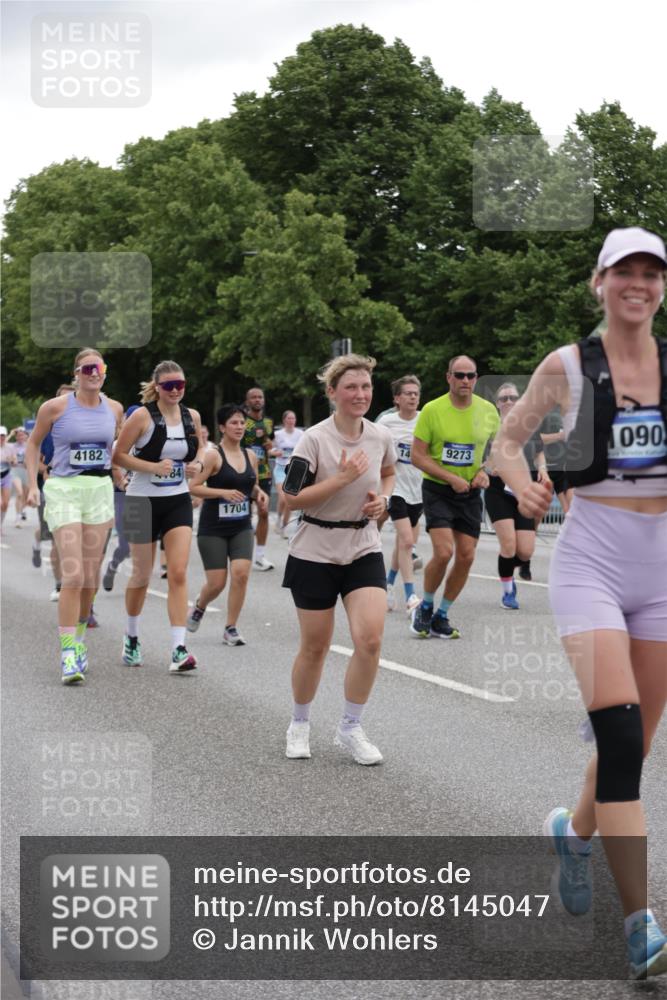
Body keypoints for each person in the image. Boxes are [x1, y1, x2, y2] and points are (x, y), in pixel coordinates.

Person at [492, 227, 667, 979]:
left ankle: (572, 831)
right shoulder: (566, 366)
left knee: (637, 742)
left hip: (661, 573)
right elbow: (507, 439)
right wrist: (519, 479)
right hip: (591, 564)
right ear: (597, 282)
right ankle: (640, 927)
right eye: (622, 270)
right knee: (622, 743)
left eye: (650, 272)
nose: (637, 283)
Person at [281, 354, 396, 765]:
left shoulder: (380, 435)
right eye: (351, 387)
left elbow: (388, 472)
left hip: (362, 545)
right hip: (315, 549)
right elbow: (290, 497)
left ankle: (350, 727)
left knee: (370, 640)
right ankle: (299, 723)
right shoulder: (313, 439)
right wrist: (341, 481)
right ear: (332, 393)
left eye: (365, 387)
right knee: (316, 646)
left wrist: (383, 499)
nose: (360, 394)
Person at [25, 349, 122, 683]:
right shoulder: (55, 408)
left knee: (90, 579)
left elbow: (118, 449)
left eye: (100, 367)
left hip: (99, 490)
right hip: (64, 488)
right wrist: (33, 485)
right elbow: (33, 444)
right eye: (88, 368)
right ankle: (67, 653)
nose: (95, 373)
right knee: (74, 575)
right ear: (76, 373)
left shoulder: (114, 409)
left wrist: (124, 471)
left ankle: (79, 642)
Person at [114, 360, 206, 673]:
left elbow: (199, 455)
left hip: (176, 499)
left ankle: (179, 649)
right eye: (169, 386)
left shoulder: (191, 416)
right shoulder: (141, 417)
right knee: (142, 575)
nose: (176, 390)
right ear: (157, 387)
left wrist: (196, 468)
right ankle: (131, 636)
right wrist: (153, 467)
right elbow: (119, 456)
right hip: (141, 501)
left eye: (181, 384)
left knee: (178, 573)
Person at [410, 355, 500, 639]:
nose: (465, 381)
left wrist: (486, 471)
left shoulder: (488, 411)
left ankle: (442, 615)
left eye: (470, 376)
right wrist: (450, 478)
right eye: (459, 375)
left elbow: (499, 451)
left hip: (471, 492)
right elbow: (417, 456)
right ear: (448, 377)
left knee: (466, 556)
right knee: (444, 551)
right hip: (438, 488)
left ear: (476, 378)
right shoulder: (432, 410)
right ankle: (424, 606)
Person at [187, 404, 269, 645]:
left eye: (242, 423)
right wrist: (222, 492)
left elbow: (248, 484)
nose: (240, 427)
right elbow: (194, 487)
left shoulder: (250, 455)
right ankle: (200, 605)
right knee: (217, 583)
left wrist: (259, 493)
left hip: (241, 525)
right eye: (234, 423)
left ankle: (231, 627)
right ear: (222, 427)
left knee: (241, 574)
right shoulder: (213, 455)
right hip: (213, 528)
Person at [484, 382, 548, 608]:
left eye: (513, 397)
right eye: (504, 399)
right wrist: (494, 466)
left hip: (523, 493)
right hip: (498, 491)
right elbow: (485, 464)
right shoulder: (490, 428)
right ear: (497, 404)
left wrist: (542, 469)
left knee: (525, 551)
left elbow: (539, 453)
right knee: (509, 546)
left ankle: (508, 569)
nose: (509, 402)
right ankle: (508, 592)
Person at [376, 375, 423, 614]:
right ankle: (411, 596)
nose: (413, 397)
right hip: (396, 489)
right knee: (406, 541)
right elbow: (374, 450)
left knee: (402, 545)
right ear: (397, 398)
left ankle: (387, 583)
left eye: (416, 393)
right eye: (408, 393)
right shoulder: (386, 422)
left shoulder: (426, 419)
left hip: (419, 489)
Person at [102, 405, 141, 592]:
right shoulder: (118, 444)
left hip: (146, 498)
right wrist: (125, 485)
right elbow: (115, 468)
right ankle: (112, 567)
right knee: (126, 546)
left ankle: (139, 583)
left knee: (144, 544)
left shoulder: (152, 441)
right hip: (123, 496)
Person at [242, 386, 274, 570]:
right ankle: (242, 553)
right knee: (243, 515)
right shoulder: (241, 422)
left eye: (260, 397)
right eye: (253, 397)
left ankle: (260, 556)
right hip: (245, 473)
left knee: (263, 512)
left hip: (264, 473)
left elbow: (269, 444)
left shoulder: (268, 422)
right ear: (247, 401)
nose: (257, 400)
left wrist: (271, 447)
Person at [272, 410, 304, 537]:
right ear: (284, 420)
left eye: (293, 418)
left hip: (294, 470)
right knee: (283, 498)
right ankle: (279, 519)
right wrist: (276, 452)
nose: (291, 421)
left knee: (289, 501)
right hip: (280, 468)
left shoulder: (301, 434)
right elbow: (270, 449)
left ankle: (284, 528)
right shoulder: (278, 434)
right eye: (289, 418)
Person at [0, 426, 16, 535]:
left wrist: (12, 460)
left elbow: (14, 461)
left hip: (6, 476)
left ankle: (0, 524)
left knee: (5, 504)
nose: (1, 438)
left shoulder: (10, 447)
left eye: (2, 436)